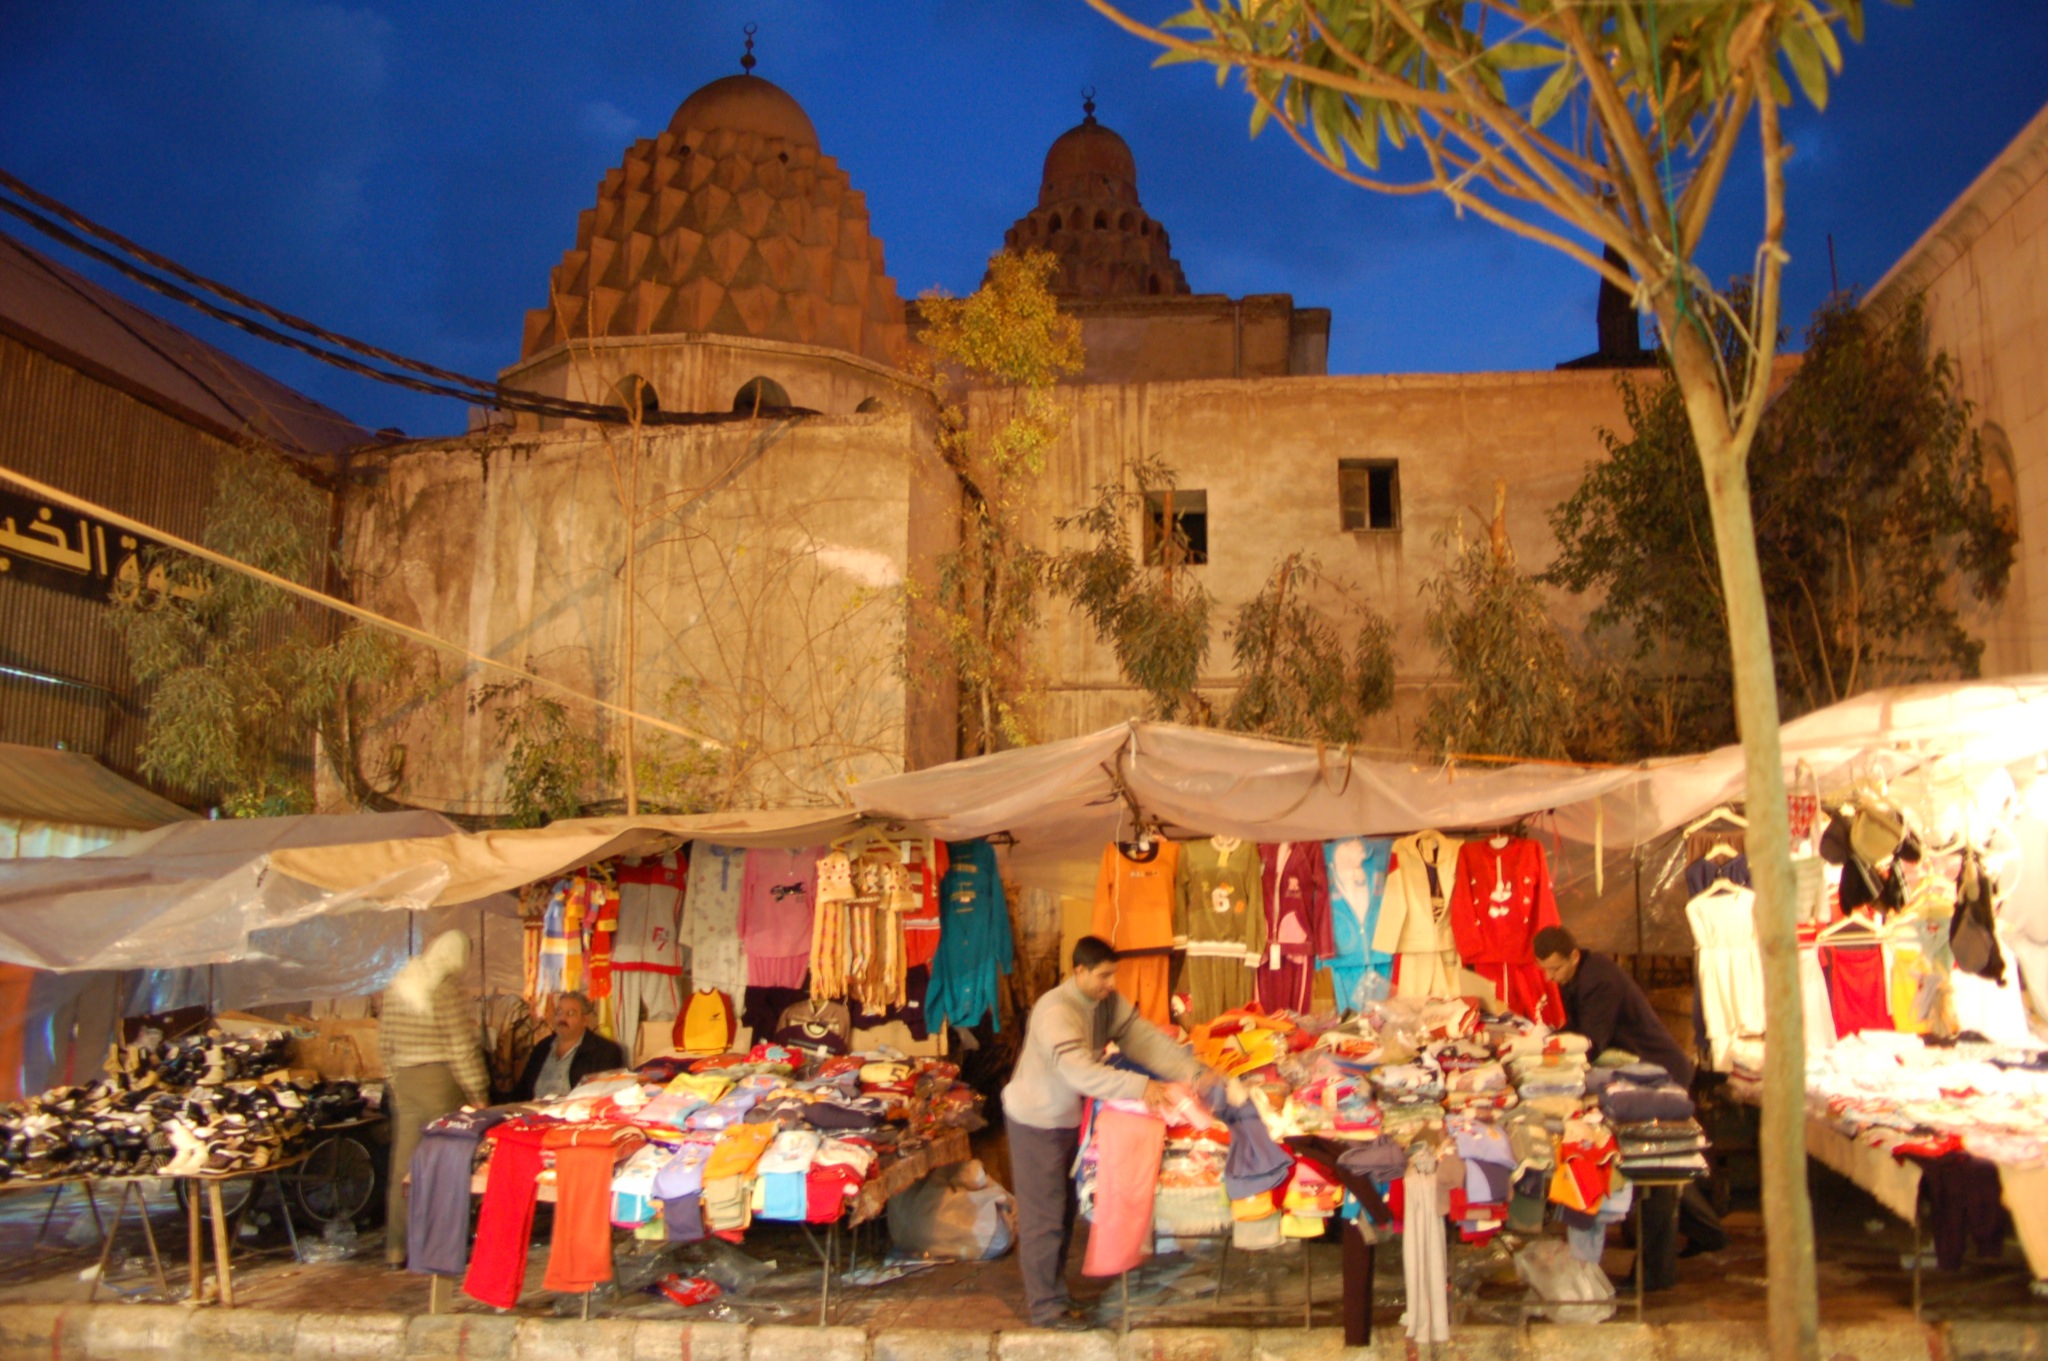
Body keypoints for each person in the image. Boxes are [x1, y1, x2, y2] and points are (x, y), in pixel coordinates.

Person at [1000, 935, 1221, 1330]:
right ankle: (1046, 1310)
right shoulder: (1056, 1010)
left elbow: (1145, 1041)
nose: (1111, 984)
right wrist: (1142, 1088)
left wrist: (1194, 1073)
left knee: (1064, 1213)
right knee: (1044, 1217)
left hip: (1068, 1118)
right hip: (1036, 1119)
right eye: (1103, 976)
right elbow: (1080, 1072)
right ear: (1079, 971)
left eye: (1113, 975)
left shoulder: (1105, 1003)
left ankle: (1057, 1298)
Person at [1534, 925, 1727, 1291]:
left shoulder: (1599, 981)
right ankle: (1709, 1233)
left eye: (1555, 969)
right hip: (1639, 1075)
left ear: (1573, 956)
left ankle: (1656, 1274)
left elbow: (1592, 1042)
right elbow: (1578, 1031)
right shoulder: (1579, 976)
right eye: (1545, 970)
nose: (1550, 977)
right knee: (1662, 1168)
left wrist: (1553, 1056)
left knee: (1654, 1166)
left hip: (1658, 1077)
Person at [377, 930, 490, 1267]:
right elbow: (460, 1047)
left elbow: (384, 1044)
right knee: (447, 1163)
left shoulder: (400, 983)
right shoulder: (444, 988)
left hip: (406, 1081)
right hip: (441, 1082)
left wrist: (397, 1084)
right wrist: (478, 1093)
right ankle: (439, 1247)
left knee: (403, 1167)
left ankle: (396, 1249)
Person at [513, 992, 626, 1102]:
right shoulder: (542, 1048)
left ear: (584, 1020)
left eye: (571, 1013)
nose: (562, 1018)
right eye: (559, 1012)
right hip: (532, 1114)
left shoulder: (604, 1051)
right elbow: (522, 1092)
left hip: (574, 1116)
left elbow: (605, 1099)